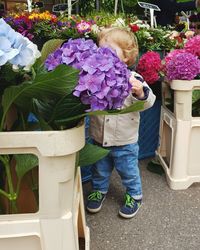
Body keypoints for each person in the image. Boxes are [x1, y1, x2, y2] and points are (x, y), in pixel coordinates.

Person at [86, 27, 156, 219]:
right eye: (101, 49)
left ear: (126, 57)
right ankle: (99, 190)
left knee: (129, 172)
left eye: (110, 50)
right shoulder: (95, 74)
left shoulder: (134, 79)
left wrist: (140, 93)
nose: (104, 54)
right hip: (99, 137)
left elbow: (149, 102)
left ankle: (135, 194)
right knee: (99, 170)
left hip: (125, 141)